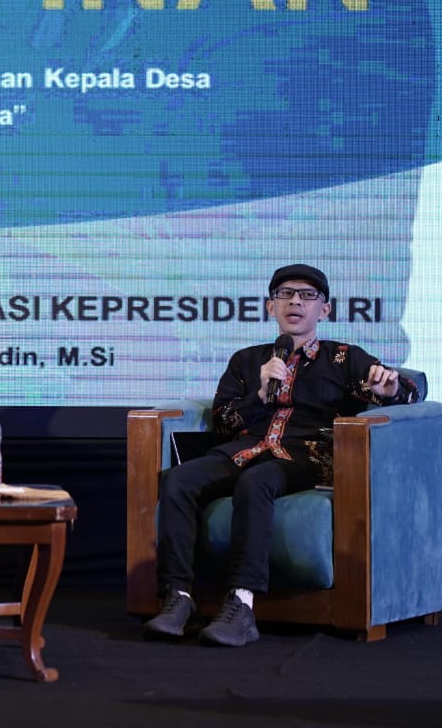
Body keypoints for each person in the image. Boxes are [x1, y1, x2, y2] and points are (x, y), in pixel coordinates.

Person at [144, 263, 419, 646]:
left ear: (324, 310)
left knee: (257, 481)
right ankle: (178, 597)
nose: (295, 302)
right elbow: (223, 424)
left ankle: (241, 604)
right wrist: (259, 394)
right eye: (286, 294)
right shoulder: (247, 361)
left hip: (305, 458)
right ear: (270, 306)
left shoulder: (343, 358)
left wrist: (389, 390)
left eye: (307, 296)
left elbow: (405, 392)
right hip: (243, 451)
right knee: (179, 479)